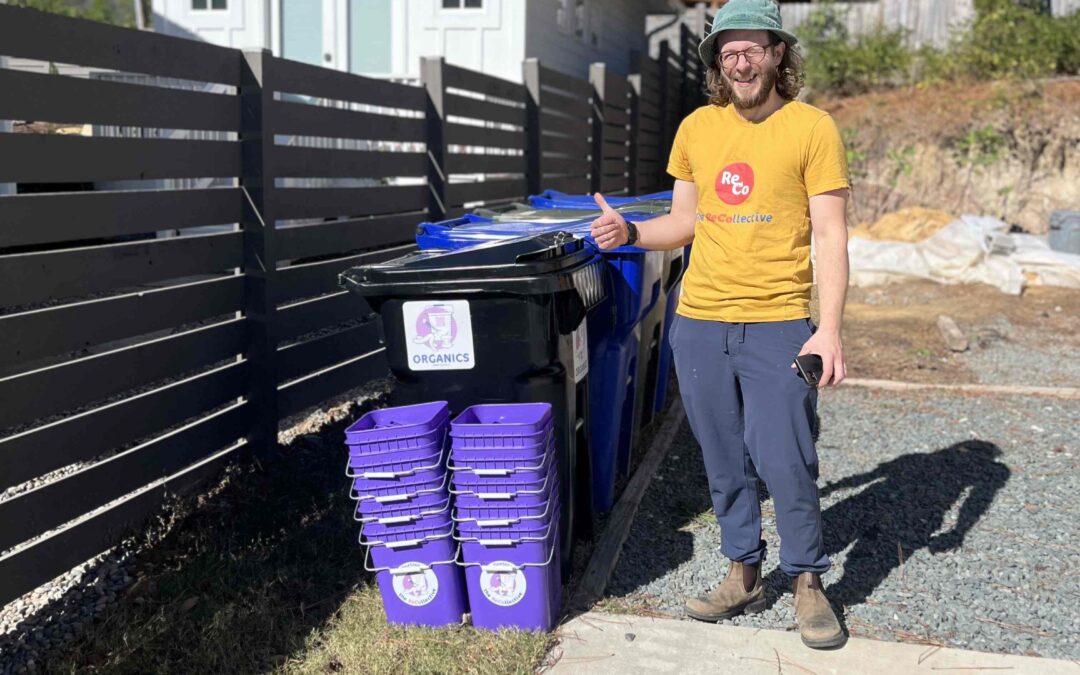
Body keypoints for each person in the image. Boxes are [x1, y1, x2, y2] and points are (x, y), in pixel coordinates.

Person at [589, 0, 850, 650]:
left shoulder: (812, 128)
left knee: (786, 456)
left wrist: (831, 329)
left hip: (778, 321)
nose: (739, 58)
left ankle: (808, 580)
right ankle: (743, 571)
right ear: (716, 63)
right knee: (722, 456)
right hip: (700, 320)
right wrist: (632, 231)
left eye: (751, 46)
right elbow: (686, 221)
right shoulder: (697, 128)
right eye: (726, 49)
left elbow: (833, 235)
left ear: (777, 53)